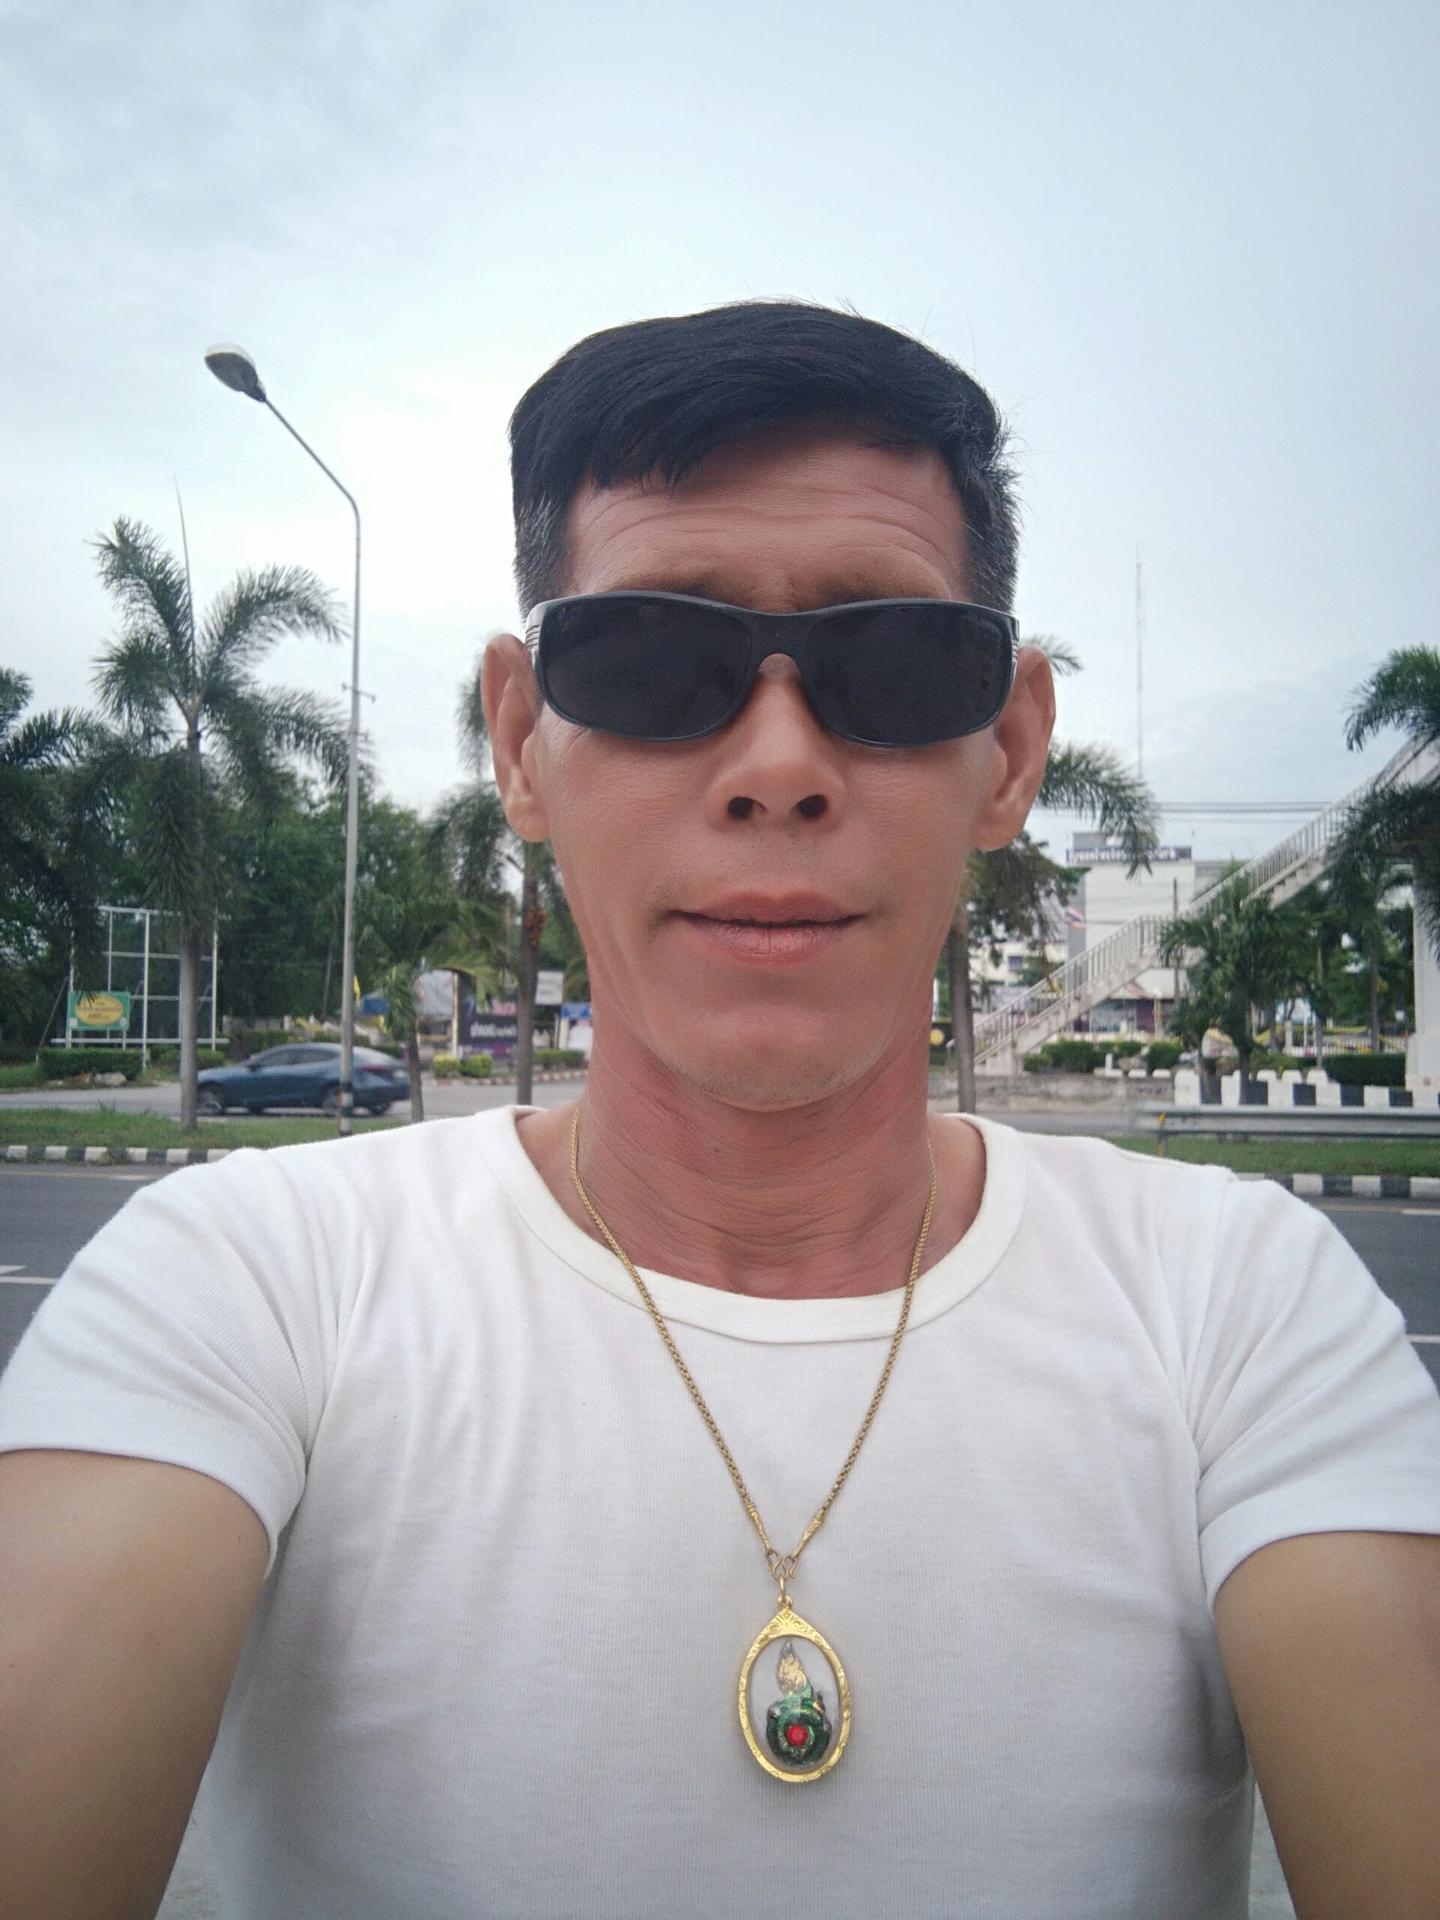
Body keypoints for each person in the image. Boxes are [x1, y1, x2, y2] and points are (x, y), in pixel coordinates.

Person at [2, 302, 1438, 1920]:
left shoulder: (1241, 1309)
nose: (777, 764)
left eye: (892, 665)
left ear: (1010, 749)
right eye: (651, 660)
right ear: (521, 742)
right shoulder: (245, 1287)